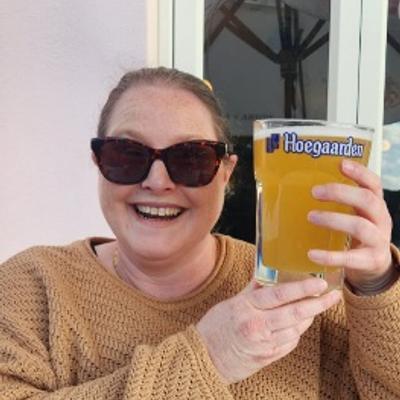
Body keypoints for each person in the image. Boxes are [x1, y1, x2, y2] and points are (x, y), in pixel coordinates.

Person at [0, 67, 399, 400]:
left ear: (226, 173)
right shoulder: (32, 286)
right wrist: (210, 357)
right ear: (98, 162)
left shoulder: (304, 288)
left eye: (191, 158)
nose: (157, 181)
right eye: (128, 154)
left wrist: (376, 286)